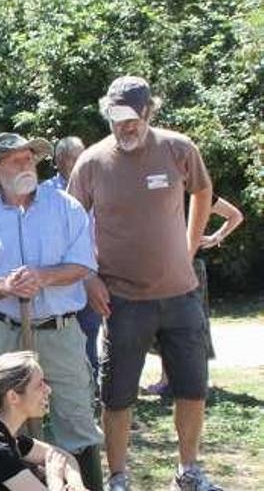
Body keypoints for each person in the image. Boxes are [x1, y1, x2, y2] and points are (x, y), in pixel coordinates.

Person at [68, 76, 219, 491]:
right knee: (118, 396)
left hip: (181, 295)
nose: (126, 127)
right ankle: (118, 479)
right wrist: (89, 276)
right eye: (117, 119)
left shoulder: (178, 148)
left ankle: (188, 471)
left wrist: (188, 248)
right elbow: (70, 227)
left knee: (192, 388)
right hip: (123, 301)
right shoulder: (92, 163)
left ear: (149, 111)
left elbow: (203, 192)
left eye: (134, 118)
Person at [0, 132, 104, 491]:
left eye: (29, 158)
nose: (27, 165)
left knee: (76, 421)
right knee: (10, 424)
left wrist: (43, 277)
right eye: (16, 160)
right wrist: (5, 286)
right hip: (6, 332)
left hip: (60, 331)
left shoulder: (65, 207)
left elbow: (82, 264)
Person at [143, 195, 244, 397]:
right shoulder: (193, 192)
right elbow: (235, 215)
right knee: (180, 322)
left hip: (183, 267)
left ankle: (181, 380)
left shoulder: (193, 193)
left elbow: (235, 216)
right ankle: (176, 380)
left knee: (183, 322)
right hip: (175, 265)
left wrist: (216, 237)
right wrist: (217, 236)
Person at [0, 351, 88, 491]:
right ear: (13, 397)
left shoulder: (2, 434)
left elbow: (64, 457)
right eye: (39, 385)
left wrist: (77, 485)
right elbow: (56, 469)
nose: (48, 390)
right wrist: (54, 478)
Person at [42, 137, 103, 381]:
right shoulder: (45, 193)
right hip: (60, 275)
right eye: (73, 158)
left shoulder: (98, 188)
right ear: (59, 162)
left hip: (93, 271)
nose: (80, 164)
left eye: (83, 157)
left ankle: (91, 385)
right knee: (59, 332)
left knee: (90, 329)